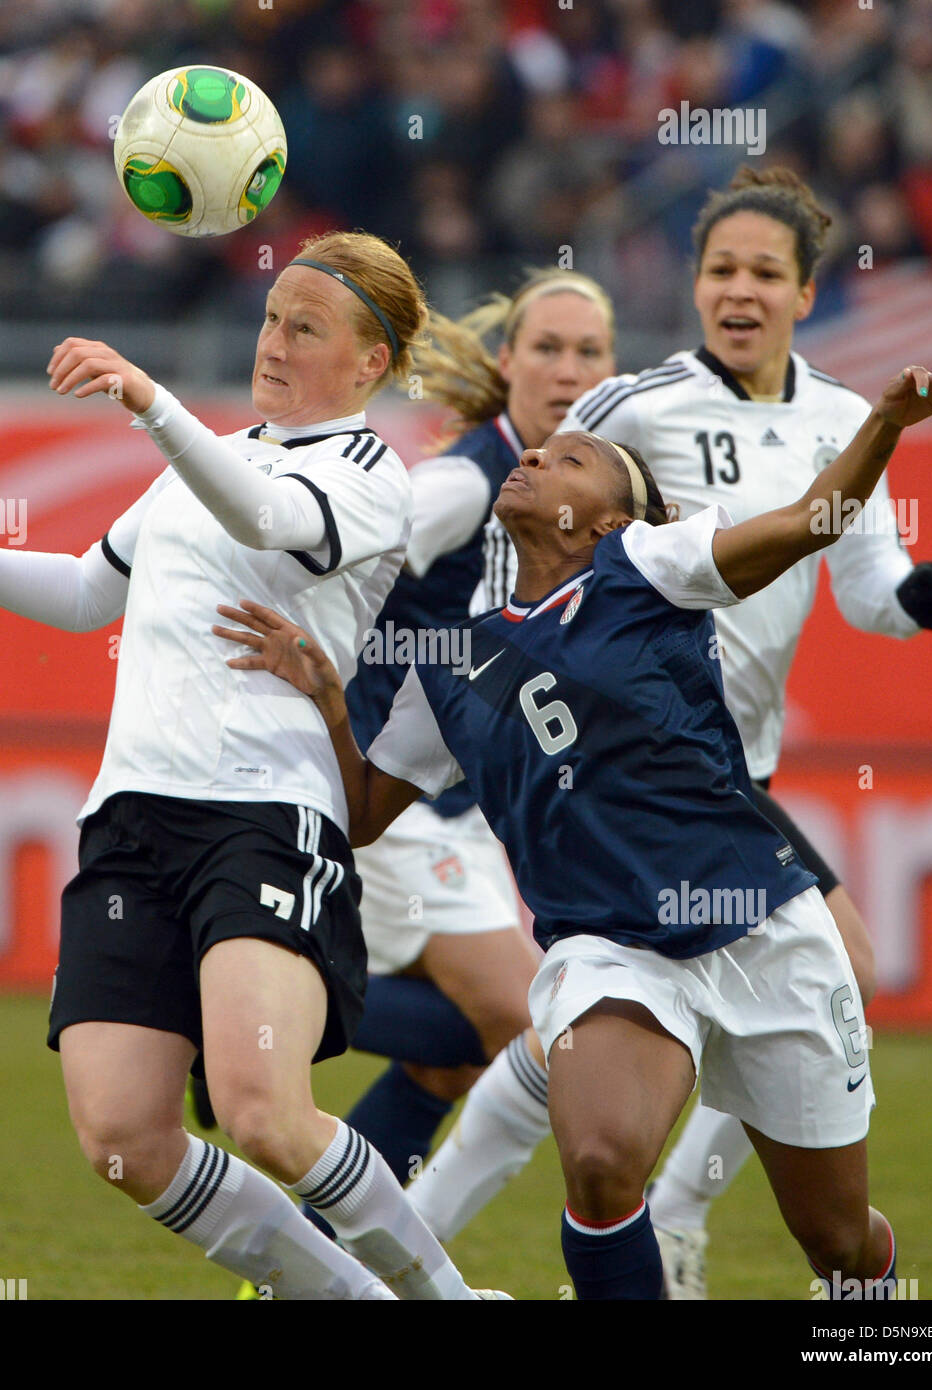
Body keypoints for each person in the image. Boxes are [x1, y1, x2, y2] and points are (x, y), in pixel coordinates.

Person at [215, 363, 932, 1299]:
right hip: (609, 948)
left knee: (837, 1238)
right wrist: (329, 701)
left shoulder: (648, 565)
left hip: (764, 930)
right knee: (605, 1164)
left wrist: (886, 421)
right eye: (536, 446)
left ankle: (876, 1296)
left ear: (610, 519)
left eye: (570, 457)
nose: (533, 453)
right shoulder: (452, 661)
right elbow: (359, 814)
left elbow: (813, 518)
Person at [0, 231, 496, 1301]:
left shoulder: (367, 471)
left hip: (263, 813)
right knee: (122, 1134)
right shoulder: (203, 461)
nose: (275, 340)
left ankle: (443, 1296)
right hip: (130, 820)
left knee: (263, 1108)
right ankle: (347, 1297)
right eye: (269, 316)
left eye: (307, 327)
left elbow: (270, 517)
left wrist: (149, 402)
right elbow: (82, 593)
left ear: (369, 364)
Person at [402, 167, 932, 1294]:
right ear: (696, 285)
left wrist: (914, 602)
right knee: (629, 1062)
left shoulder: (836, 419)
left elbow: (857, 576)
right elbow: (556, 517)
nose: (739, 290)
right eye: (720, 269)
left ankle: (424, 1236)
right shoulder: (632, 406)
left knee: (580, 1052)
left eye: (765, 271)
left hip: (727, 783)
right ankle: (631, 1218)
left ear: (807, 293)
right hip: (628, 774)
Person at [305, 270, 616, 1196]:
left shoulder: (591, 491)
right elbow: (351, 545)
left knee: (454, 1061)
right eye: (547, 349)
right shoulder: (461, 482)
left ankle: (305, 1276)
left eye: (588, 351)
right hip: (395, 792)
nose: (568, 369)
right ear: (508, 361)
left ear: (613, 371)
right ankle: (230, 1003)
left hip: (457, 805)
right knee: (539, 1033)